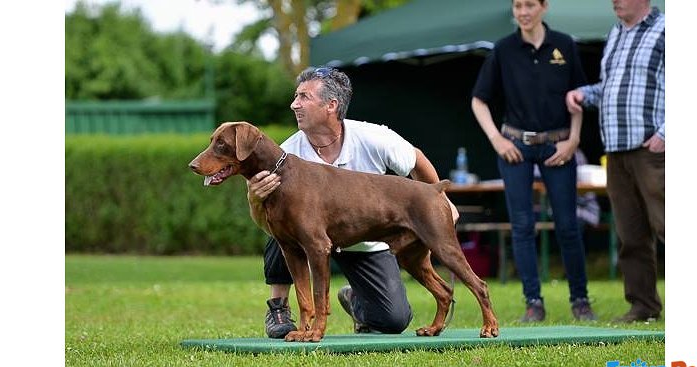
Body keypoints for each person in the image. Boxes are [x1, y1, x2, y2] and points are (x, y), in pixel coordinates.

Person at [247, 66, 458, 338]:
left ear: (331, 105)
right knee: (282, 223)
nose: (294, 104)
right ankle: (278, 308)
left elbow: (416, 160)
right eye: (295, 96)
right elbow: (267, 223)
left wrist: (439, 201)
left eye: (303, 97)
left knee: (393, 320)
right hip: (310, 238)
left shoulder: (374, 137)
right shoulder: (285, 153)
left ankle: (356, 299)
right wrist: (255, 201)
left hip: (366, 242)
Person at [471, 0, 595, 322]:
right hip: (516, 146)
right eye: (517, 6)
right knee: (522, 226)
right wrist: (497, 140)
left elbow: (578, 96)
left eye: (529, 5)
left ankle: (580, 300)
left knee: (568, 225)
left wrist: (574, 139)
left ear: (544, 7)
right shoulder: (503, 49)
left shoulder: (565, 45)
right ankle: (533, 303)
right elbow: (478, 100)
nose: (523, 12)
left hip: (558, 146)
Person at [566, 0, 664, 323]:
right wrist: (585, 94)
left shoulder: (666, 31)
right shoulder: (616, 33)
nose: (614, 1)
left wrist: (667, 133)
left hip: (653, 151)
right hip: (616, 151)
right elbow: (611, 88)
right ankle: (643, 306)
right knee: (630, 234)